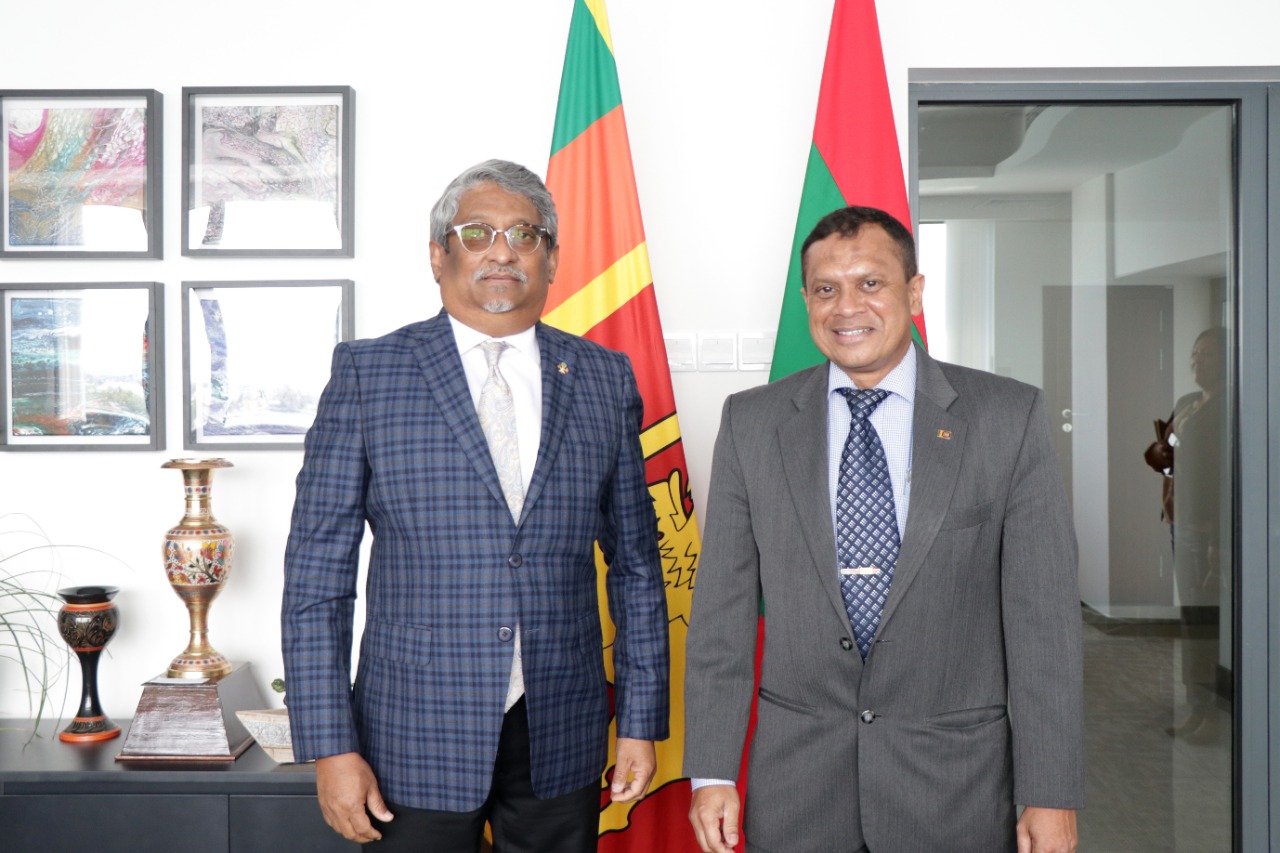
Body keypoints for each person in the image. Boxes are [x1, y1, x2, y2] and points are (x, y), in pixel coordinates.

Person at [281, 159, 670, 852]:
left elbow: (637, 565)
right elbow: (317, 580)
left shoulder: (603, 378)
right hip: (411, 733)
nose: (502, 251)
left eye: (524, 234)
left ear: (551, 259)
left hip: (562, 728)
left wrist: (639, 721)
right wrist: (330, 745)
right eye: (478, 233)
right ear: (440, 255)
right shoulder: (369, 375)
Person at [683, 206, 1084, 853]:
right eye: (826, 288)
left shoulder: (1007, 417)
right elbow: (720, 617)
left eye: (870, 283)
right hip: (798, 787)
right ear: (807, 301)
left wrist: (1051, 791)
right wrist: (712, 771)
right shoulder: (752, 423)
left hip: (953, 788)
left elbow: (1045, 626)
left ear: (914, 292)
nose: (847, 306)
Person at [1143, 327, 1228, 739]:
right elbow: (1166, 451)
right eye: (1195, 353)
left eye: (1207, 354)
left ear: (1226, 359)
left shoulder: (1229, 408)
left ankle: (1211, 714)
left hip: (1206, 532)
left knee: (1206, 624)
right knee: (1192, 622)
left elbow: (1226, 477)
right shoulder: (1187, 402)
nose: (1197, 360)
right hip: (1179, 523)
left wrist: (1218, 540)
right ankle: (1197, 707)